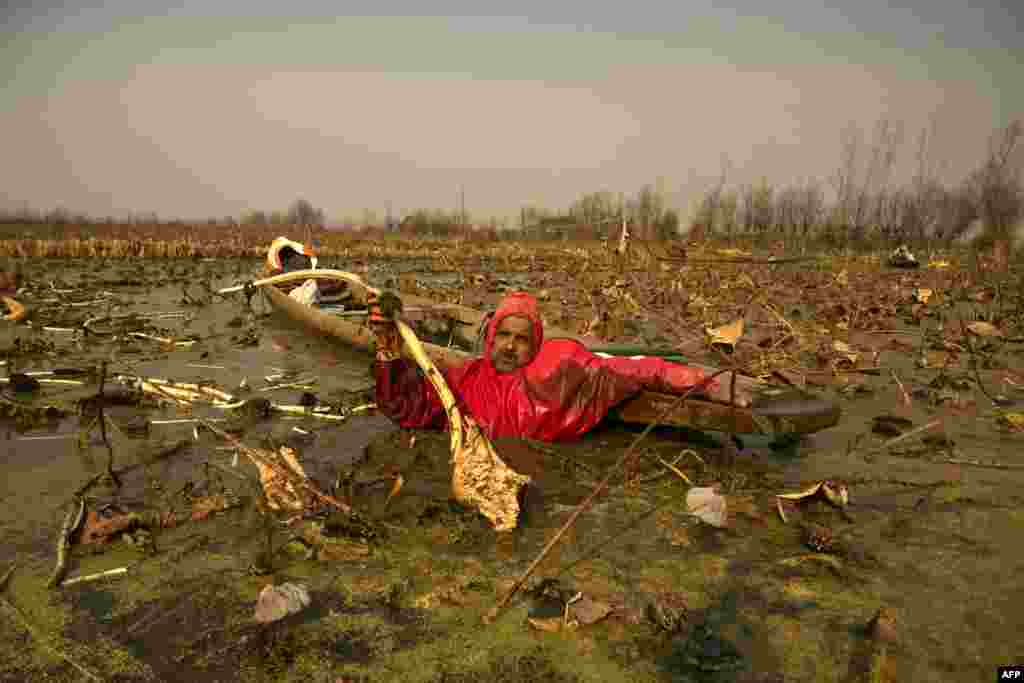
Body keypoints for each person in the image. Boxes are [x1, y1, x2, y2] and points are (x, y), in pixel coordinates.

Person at [369, 290, 754, 443]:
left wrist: (703, 381)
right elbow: (409, 406)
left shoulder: (558, 374)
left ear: (535, 344)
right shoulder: (466, 379)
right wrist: (388, 348)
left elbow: (632, 368)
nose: (510, 346)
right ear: (491, 338)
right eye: (504, 335)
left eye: (522, 339)